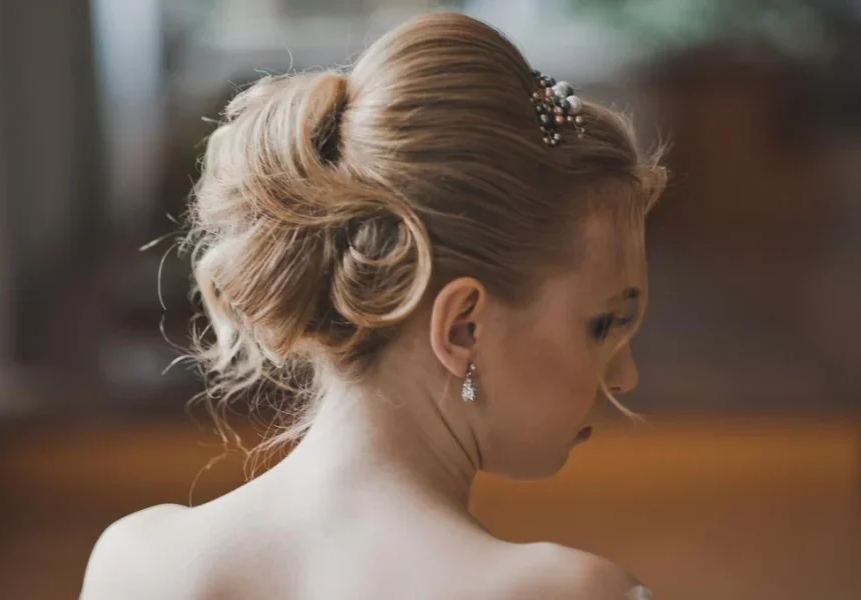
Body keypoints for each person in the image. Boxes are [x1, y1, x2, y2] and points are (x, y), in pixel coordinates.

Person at [81, 11, 665, 600]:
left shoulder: (138, 562)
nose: (625, 373)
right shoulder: (574, 593)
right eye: (602, 325)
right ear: (464, 328)